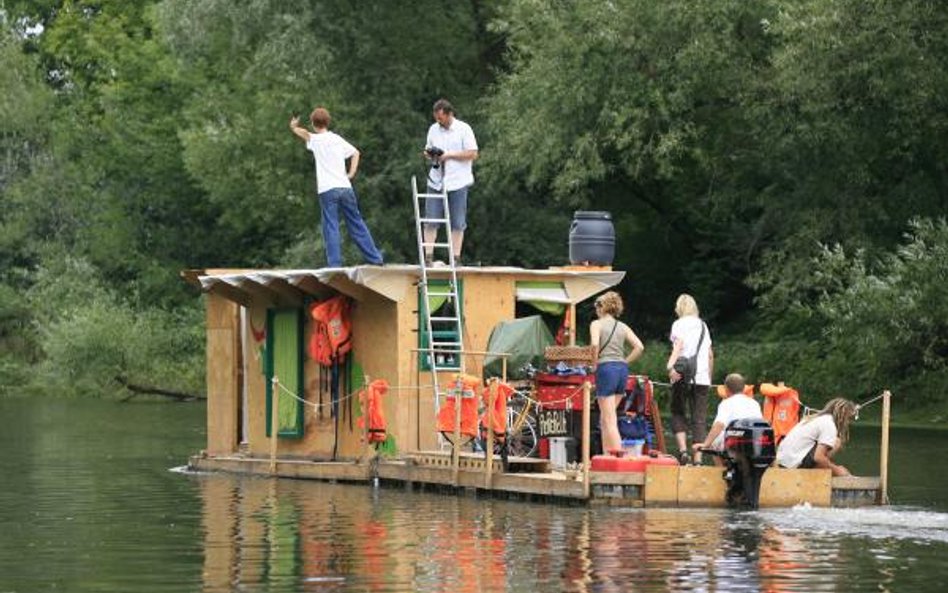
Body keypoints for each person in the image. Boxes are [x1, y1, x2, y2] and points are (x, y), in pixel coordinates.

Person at [290, 107, 384, 268]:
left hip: (327, 190)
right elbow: (356, 153)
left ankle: (334, 264)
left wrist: (293, 126)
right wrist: (351, 173)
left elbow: (302, 133)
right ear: (328, 122)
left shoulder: (314, 139)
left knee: (331, 226)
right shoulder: (337, 139)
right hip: (345, 187)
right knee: (356, 223)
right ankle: (375, 258)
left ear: (313, 123)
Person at [422, 99, 478, 265]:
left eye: (441, 118)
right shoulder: (433, 129)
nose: (438, 121)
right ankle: (428, 257)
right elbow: (427, 149)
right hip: (436, 180)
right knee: (431, 219)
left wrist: (449, 155)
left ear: (449, 114)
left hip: (458, 181)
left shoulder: (464, 129)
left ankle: (455, 257)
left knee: (458, 221)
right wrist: (430, 154)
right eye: (436, 118)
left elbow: (473, 153)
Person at [590, 291, 645, 454]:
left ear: (601, 307)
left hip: (606, 369)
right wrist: (625, 361)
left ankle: (619, 457)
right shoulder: (623, 326)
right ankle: (607, 455)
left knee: (609, 418)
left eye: (597, 307)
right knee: (606, 416)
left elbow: (594, 346)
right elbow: (640, 347)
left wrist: (593, 365)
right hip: (622, 371)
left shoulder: (596, 324)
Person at [665, 293, 714, 465]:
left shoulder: (678, 324)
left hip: (681, 374)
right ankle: (699, 459)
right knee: (699, 418)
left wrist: (670, 366)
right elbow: (709, 354)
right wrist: (709, 377)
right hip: (701, 376)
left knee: (678, 411)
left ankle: (683, 452)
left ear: (679, 308)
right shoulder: (703, 325)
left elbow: (678, 347)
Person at [776, 397, 859, 476]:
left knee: (827, 450)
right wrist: (838, 471)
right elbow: (818, 457)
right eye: (848, 418)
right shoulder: (829, 424)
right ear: (842, 416)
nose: (847, 422)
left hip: (782, 463)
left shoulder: (814, 418)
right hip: (793, 466)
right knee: (836, 442)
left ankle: (821, 468)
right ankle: (814, 471)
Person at [693, 373, 762, 466]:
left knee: (714, 441)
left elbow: (719, 425)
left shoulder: (726, 403)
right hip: (754, 443)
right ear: (743, 388)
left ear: (726, 389)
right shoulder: (754, 403)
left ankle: (720, 472)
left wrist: (706, 444)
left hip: (735, 445)